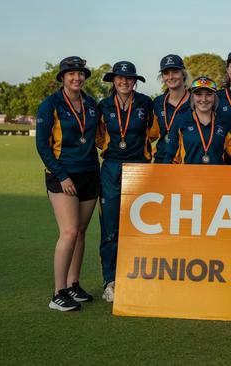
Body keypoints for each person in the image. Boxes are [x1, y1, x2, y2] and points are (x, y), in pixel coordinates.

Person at [36, 56, 99, 311]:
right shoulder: (50, 105)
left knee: (81, 233)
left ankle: (73, 284)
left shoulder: (92, 104)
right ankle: (58, 292)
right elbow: (42, 145)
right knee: (69, 232)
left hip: (90, 173)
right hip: (62, 175)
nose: (77, 77)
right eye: (71, 73)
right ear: (62, 77)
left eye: (81, 73)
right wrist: (62, 176)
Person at [96, 61, 153, 302]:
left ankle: (135, 276)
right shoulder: (104, 106)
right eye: (120, 78)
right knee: (110, 228)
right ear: (113, 81)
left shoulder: (145, 104)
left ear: (135, 81)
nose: (124, 82)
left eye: (129, 78)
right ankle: (110, 280)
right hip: (111, 168)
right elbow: (98, 136)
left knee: (138, 226)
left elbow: (154, 132)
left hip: (139, 168)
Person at [163, 76, 231, 164]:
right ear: (192, 97)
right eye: (198, 94)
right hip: (189, 176)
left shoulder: (223, 123)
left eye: (209, 94)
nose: (204, 99)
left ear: (214, 97)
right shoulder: (181, 120)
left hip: (216, 177)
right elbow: (170, 156)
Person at [151, 54, 190, 164]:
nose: (171, 77)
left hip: (186, 161)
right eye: (166, 73)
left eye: (175, 72)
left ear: (183, 74)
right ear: (162, 77)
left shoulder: (196, 102)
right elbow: (150, 134)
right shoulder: (158, 102)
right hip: (162, 159)